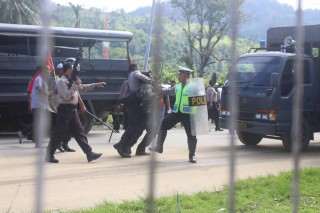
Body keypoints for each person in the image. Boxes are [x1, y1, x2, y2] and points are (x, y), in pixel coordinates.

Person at [45, 62, 103, 163]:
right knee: (59, 133)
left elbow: (82, 87)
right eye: (73, 69)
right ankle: (49, 154)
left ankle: (89, 153)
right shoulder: (61, 81)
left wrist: (95, 85)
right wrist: (75, 85)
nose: (75, 71)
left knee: (79, 132)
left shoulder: (70, 81)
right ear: (68, 70)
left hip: (73, 109)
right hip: (64, 109)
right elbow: (67, 96)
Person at [149, 66, 198, 163]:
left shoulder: (193, 87)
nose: (178, 76)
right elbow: (168, 92)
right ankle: (159, 147)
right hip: (177, 112)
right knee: (163, 125)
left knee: (191, 135)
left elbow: (199, 101)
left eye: (180, 74)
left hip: (188, 114)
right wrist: (159, 89)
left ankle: (192, 155)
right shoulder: (178, 86)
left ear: (186, 76)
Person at [113, 64, 152, 158]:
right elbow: (142, 77)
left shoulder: (128, 79)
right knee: (135, 125)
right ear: (135, 68)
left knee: (134, 125)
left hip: (129, 104)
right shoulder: (136, 73)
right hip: (134, 103)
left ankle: (123, 145)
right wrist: (152, 81)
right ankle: (122, 145)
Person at [17, 66, 41, 143]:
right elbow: (29, 92)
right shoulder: (35, 79)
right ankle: (23, 133)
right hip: (37, 103)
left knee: (38, 121)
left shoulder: (37, 78)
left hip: (38, 103)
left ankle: (32, 136)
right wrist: (30, 104)